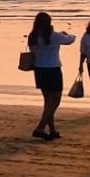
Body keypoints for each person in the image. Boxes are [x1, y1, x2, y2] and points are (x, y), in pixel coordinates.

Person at [25, 11, 75, 140]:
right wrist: (65, 34)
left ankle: (52, 129)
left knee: (48, 101)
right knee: (55, 100)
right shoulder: (53, 36)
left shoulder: (33, 36)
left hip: (39, 69)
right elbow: (71, 40)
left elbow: (33, 51)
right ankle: (40, 128)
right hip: (52, 69)